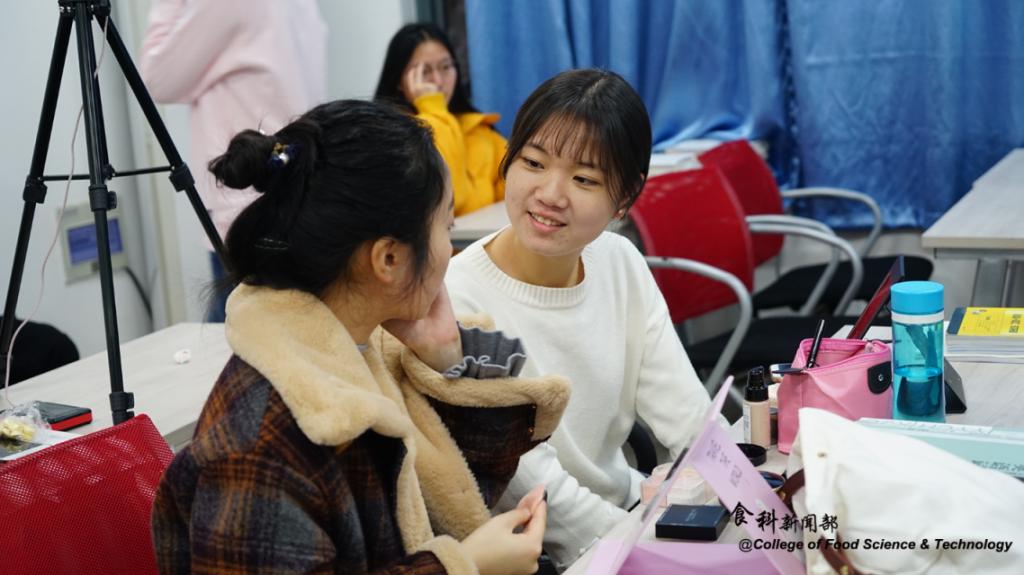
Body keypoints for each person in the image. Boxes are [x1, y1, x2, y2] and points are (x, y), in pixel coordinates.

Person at [150, 100, 571, 574]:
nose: (449, 251)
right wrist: (465, 566)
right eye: (446, 227)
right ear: (388, 260)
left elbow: (460, 493)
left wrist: (446, 356)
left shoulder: (363, 349)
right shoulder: (260, 446)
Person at [444, 69, 714, 569]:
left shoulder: (619, 261)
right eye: (533, 162)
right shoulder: (459, 298)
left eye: (584, 179)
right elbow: (538, 494)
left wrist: (734, 491)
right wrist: (645, 552)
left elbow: (689, 418)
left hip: (628, 514)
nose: (550, 193)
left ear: (625, 198)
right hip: (537, 552)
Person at [139, 0, 327, 322]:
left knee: (241, 336)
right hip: (294, 183)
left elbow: (157, 78)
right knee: (292, 331)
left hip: (245, 197)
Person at [375, 23, 506, 217]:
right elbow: (452, 201)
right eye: (424, 71)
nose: (438, 81)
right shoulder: (389, 139)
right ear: (398, 81)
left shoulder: (481, 131)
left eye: (446, 67)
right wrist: (432, 107)